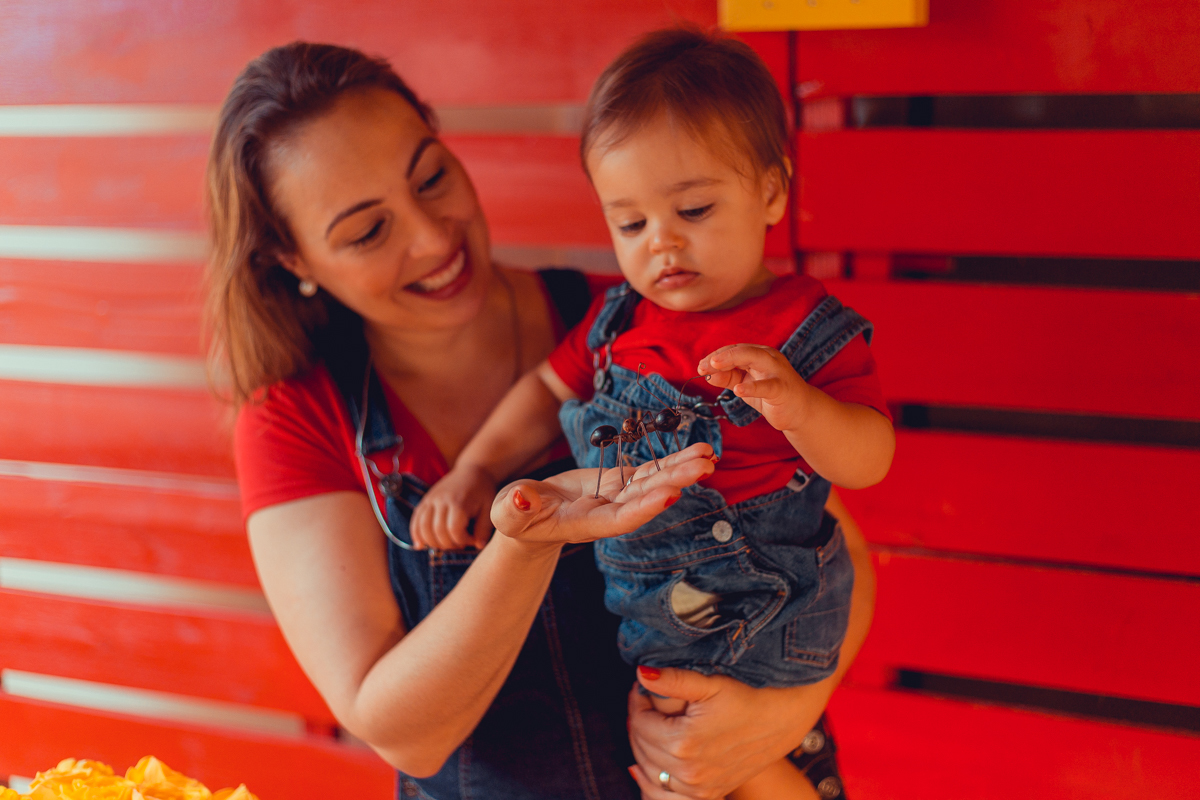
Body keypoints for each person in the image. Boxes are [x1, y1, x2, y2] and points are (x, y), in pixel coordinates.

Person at [207, 40, 876, 800]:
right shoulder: (296, 418)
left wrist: (780, 717)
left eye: (431, 178)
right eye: (368, 232)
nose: (433, 238)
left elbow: (834, 549)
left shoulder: (634, 325)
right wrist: (525, 543)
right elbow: (404, 732)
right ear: (293, 260)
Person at [415, 29, 895, 799]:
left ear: (772, 192)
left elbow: (869, 459)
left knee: (739, 766)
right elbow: (544, 392)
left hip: (772, 609)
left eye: (694, 209)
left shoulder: (807, 330)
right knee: (681, 757)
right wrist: (476, 469)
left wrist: (800, 408)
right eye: (630, 224)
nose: (662, 242)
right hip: (655, 619)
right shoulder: (616, 325)